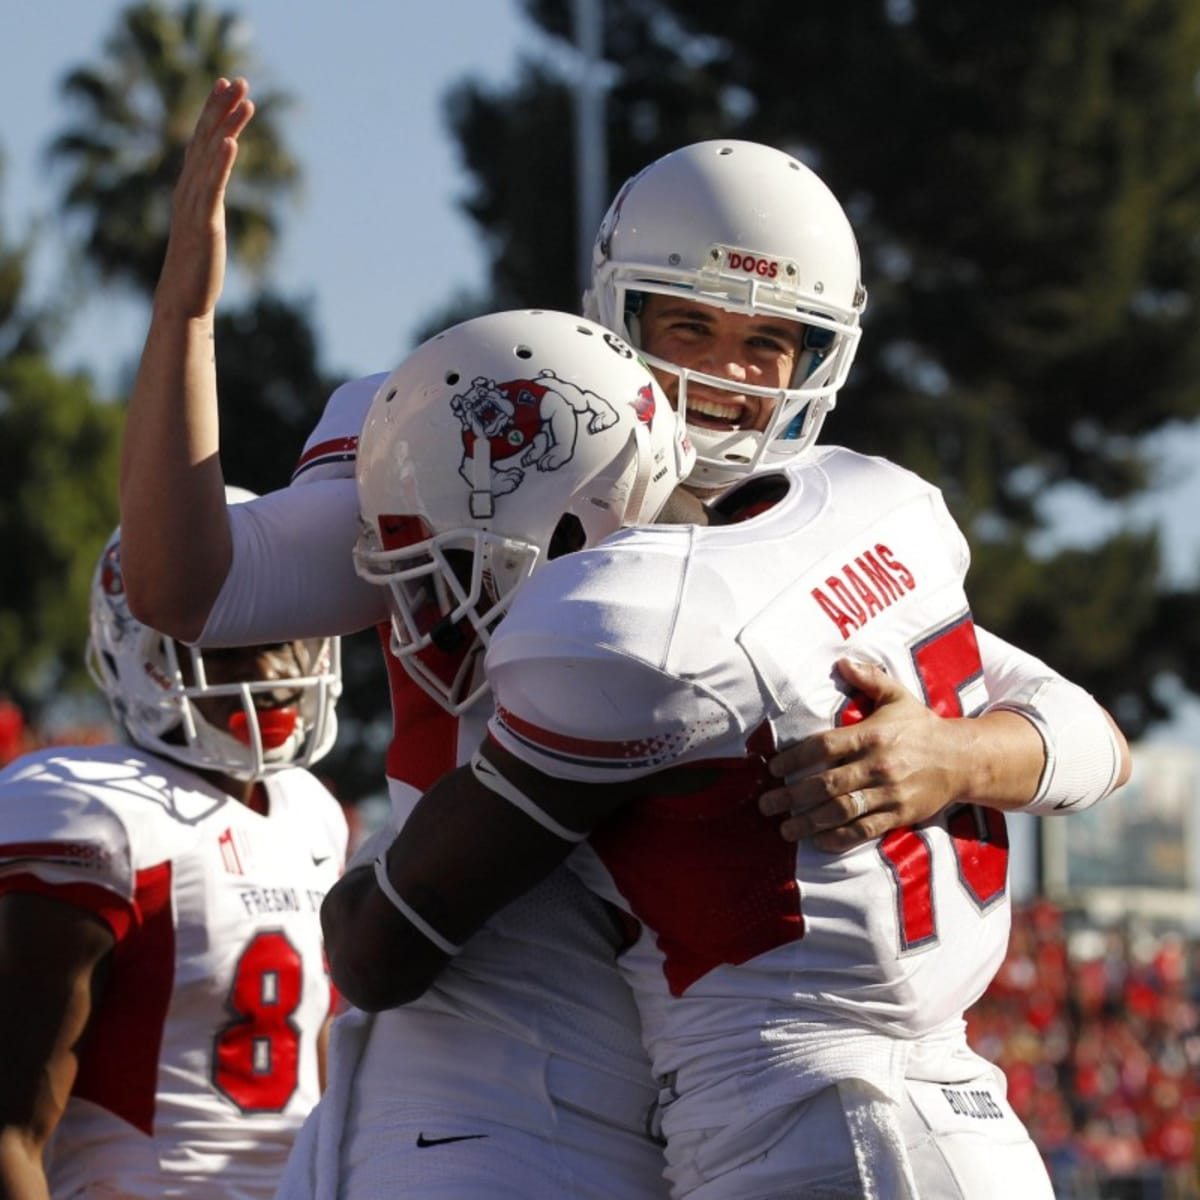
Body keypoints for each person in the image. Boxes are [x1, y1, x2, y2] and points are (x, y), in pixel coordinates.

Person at [116, 78, 1129, 1197]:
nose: (726, 375)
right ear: (618, 304)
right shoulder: (467, 413)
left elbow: (1078, 728)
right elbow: (190, 588)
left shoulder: (823, 512)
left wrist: (950, 753)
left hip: (707, 1085)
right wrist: (186, 320)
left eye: (768, 342)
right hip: (492, 1052)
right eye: (688, 320)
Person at [324, 325, 1130, 1198]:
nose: (431, 605)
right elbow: (1097, 743)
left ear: (564, 528)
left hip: (821, 1133)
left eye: (451, 558)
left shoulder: (628, 626)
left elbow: (383, 953)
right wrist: (963, 753)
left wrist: (949, 755)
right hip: (940, 1115)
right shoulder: (857, 501)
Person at [0, 504, 347, 1200]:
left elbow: (317, 1079)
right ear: (144, 659)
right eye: (229, 648)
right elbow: (9, 1129)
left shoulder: (312, 813)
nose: (274, 672)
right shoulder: (93, 815)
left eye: (288, 640)